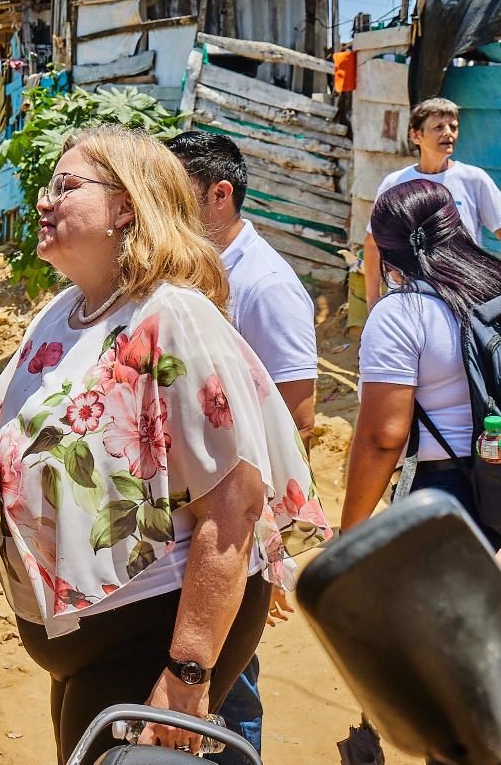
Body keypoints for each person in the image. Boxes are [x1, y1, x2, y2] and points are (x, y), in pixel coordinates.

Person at [0, 125, 331, 762]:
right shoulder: (64, 313)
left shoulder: (173, 317)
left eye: (65, 187)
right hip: (86, 641)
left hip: (155, 626)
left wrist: (187, 675)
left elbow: (233, 508)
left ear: (127, 207)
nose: (42, 200)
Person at [167, 131, 318, 761]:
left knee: (230, 686)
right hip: (200, 517)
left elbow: (298, 418)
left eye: (176, 194)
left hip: (233, 525)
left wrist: (260, 538)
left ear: (219, 196)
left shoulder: (265, 286)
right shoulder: (200, 275)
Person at [342, 178, 501, 551]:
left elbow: (383, 437)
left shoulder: (401, 313)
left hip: (445, 493)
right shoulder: (493, 287)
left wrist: (351, 532)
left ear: (386, 250)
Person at [363, 97, 501, 311]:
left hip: (461, 297)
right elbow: (373, 244)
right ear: (415, 135)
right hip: (408, 298)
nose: (448, 133)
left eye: (453, 127)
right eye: (438, 127)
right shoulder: (396, 183)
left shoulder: (474, 179)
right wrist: (372, 300)